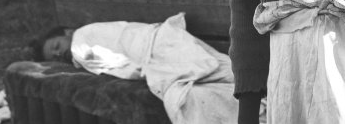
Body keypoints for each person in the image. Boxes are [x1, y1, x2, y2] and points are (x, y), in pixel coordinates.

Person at [31, 14, 239, 124]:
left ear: (67, 32)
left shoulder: (79, 43)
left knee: (184, 98)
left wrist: (150, 75)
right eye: (55, 57)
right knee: (220, 75)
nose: (59, 54)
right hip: (165, 40)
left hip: (157, 51)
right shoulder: (85, 39)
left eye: (56, 46)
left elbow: (120, 66)